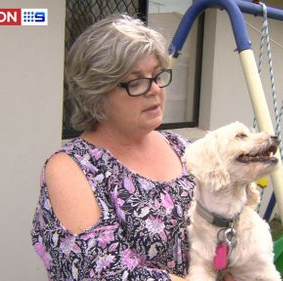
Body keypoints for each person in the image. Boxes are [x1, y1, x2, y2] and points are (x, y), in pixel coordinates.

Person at [31, 13, 194, 280]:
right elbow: (103, 272)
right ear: (97, 95)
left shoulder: (182, 148)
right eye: (137, 82)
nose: (155, 90)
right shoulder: (73, 167)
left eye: (156, 76)